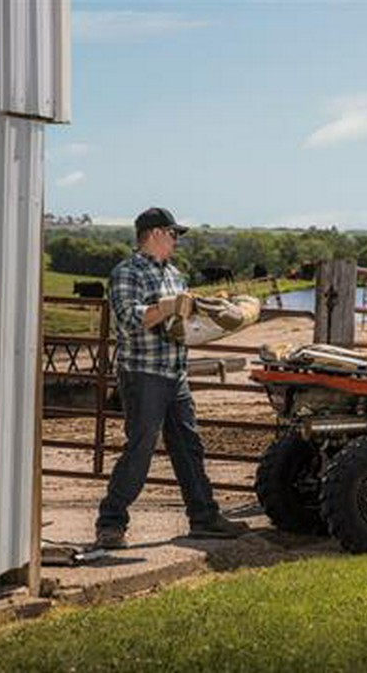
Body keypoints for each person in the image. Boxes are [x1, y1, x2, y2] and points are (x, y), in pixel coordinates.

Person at [95, 207, 250, 548]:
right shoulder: (127, 272)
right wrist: (167, 306)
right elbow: (128, 318)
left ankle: (204, 517)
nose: (177, 240)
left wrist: (212, 315)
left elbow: (183, 325)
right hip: (144, 374)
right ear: (154, 234)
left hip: (175, 373)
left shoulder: (176, 275)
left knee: (188, 446)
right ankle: (110, 523)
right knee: (141, 448)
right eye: (174, 234)